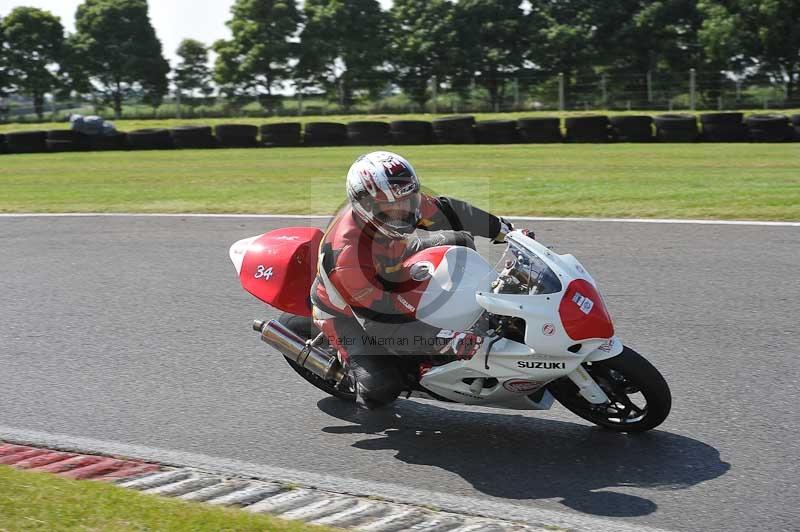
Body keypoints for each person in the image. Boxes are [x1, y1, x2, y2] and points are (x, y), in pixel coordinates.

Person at [311, 151, 521, 409]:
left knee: (461, 241)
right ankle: (358, 373)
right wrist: (448, 340)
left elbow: (449, 211)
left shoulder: (401, 203)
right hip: (348, 312)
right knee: (381, 388)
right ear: (364, 205)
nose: (405, 211)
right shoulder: (347, 258)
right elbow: (383, 324)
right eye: (392, 207)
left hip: (392, 256)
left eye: (409, 201)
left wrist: (503, 230)